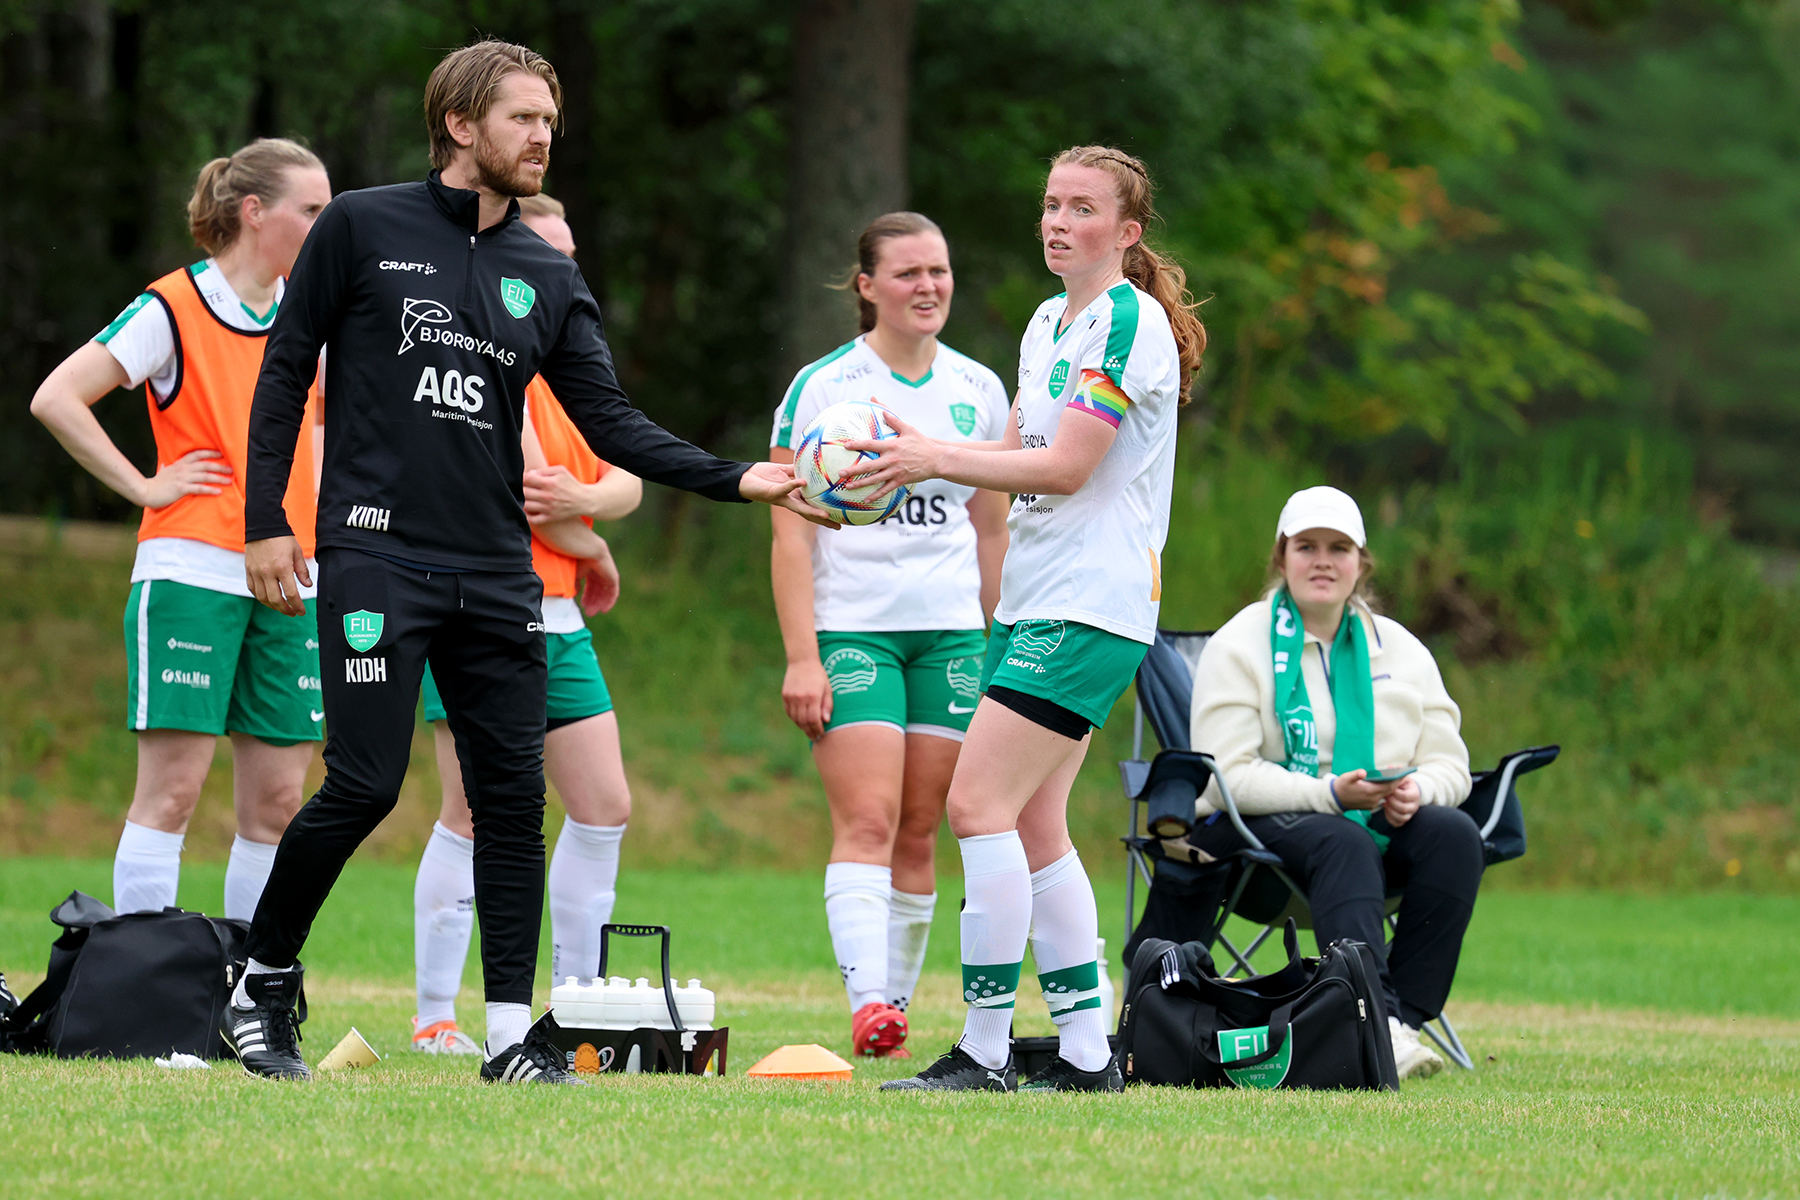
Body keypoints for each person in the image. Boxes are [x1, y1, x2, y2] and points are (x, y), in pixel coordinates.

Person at [226, 39, 825, 1085]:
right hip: (372, 551)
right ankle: (261, 981)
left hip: (498, 572)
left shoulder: (547, 273)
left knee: (511, 801)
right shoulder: (361, 225)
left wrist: (738, 478)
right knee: (363, 784)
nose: (543, 135)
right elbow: (283, 373)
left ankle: (510, 1035)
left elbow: (611, 422)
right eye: (522, 117)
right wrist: (266, 519)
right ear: (461, 125)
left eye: (550, 119)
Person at [846, 146, 1207, 1093]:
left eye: (1082, 208)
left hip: (1091, 603)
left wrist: (934, 459)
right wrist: (911, 454)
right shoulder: (1051, 321)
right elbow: (1010, 454)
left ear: (1126, 233)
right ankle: (1088, 1056)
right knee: (1038, 823)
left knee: (976, 806)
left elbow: (1067, 468)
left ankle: (985, 1047)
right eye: (1050, 204)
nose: (1057, 222)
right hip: (1035, 596)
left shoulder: (1126, 321)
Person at [29, 139, 332, 922]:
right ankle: (146, 982)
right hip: (192, 571)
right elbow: (57, 397)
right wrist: (144, 486)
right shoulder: (172, 305)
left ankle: (248, 983)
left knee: (278, 804)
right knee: (172, 794)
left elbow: (329, 430)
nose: (326, 225)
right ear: (254, 211)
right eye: (312, 210)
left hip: (293, 578)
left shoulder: (315, 314)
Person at [770, 212, 1011, 1059]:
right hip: (855, 630)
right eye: (908, 273)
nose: (928, 286)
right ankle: (866, 1001)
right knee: (868, 820)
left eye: (939, 270)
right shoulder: (822, 387)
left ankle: (893, 1018)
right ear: (867, 285)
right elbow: (790, 534)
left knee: (920, 827)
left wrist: (1001, 642)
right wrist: (802, 657)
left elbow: (991, 529)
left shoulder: (980, 389)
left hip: (952, 637)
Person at [410, 192, 644, 1056]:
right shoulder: (485, 355)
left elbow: (626, 478)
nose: (564, 267)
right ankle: (436, 1015)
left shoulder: (571, 359)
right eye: (550, 251)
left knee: (604, 805)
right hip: (476, 607)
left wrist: (591, 507)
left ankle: (575, 1006)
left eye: (570, 253)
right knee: (472, 809)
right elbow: (536, 497)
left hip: (560, 618)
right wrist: (593, 534)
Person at [1185, 485, 1479, 1080]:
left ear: (1361, 563)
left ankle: (1397, 1023)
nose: (1323, 561)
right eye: (1307, 547)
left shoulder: (1402, 649)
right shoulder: (1239, 644)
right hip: (1258, 846)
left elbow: (1451, 765)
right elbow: (1225, 776)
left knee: (1454, 835)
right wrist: (1329, 796)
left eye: (1338, 548)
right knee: (1341, 838)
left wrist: (1418, 791)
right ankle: (1370, 1017)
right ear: (1281, 557)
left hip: (1377, 829)